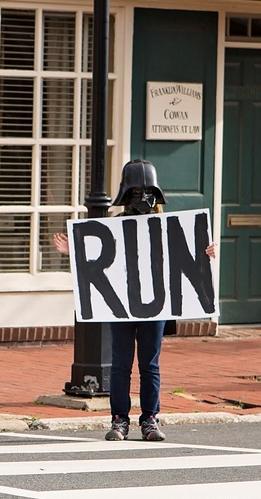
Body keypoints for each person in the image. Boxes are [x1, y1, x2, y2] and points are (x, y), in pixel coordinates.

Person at [52, 159, 216, 442]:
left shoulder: (169, 226)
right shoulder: (115, 226)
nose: (142, 200)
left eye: (146, 193)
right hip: (123, 305)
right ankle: (120, 419)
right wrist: (76, 250)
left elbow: (184, 257)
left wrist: (206, 251)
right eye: (136, 193)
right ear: (127, 195)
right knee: (121, 364)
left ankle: (149, 419)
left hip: (155, 305)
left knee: (149, 364)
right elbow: (100, 258)